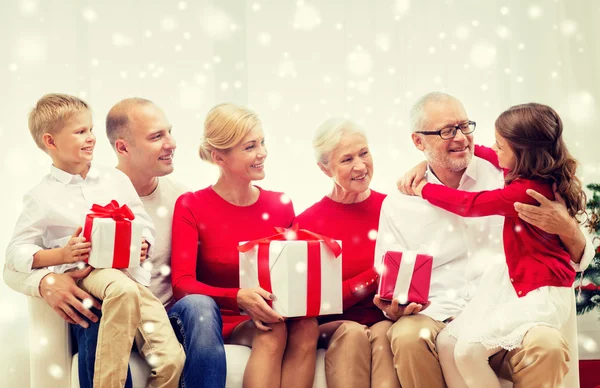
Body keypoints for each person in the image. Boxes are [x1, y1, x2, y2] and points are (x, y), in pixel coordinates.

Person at [375, 92, 595, 388]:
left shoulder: (511, 175)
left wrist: (566, 227)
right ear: (418, 141)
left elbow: (581, 256)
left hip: (508, 306)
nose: (462, 138)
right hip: (439, 311)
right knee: (408, 336)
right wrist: (393, 305)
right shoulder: (399, 205)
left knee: (548, 346)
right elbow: (391, 276)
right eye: (447, 131)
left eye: (465, 126)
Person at [5, 93, 185, 387]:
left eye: (90, 130)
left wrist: (143, 243)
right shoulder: (41, 196)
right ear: (51, 142)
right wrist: (61, 255)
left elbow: (142, 221)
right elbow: (15, 253)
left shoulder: (114, 180)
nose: (90, 138)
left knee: (172, 361)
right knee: (122, 290)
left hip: (130, 279)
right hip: (90, 275)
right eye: (80, 132)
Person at [70, 97, 227, 388]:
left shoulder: (182, 197)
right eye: (157, 136)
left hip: (165, 317)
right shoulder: (88, 196)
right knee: (91, 311)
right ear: (123, 147)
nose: (171, 143)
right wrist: (50, 280)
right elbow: (53, 256)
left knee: (201, 307)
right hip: (111, 316)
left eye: (169, 132)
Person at [171, 103, 319, 388]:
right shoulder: (192, 204)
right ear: (219, 157)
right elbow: (182, 283)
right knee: (273, 330)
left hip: (275, 312)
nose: (262, 153)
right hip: (223, 319)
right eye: (250, 146)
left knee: (306, 327)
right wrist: (238, 296)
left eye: (262, 142)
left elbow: (294, 273)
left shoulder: (280, 204)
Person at [294, 118, 399, 388]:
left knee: (386, 334)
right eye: (347, 159)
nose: (361, 166)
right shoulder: (307, 224)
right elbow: (315, 302)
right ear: (324, 168)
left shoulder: (394, 209)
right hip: (336, 325)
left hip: (385, 319)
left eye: (364, 153)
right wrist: (376, 275)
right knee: (352, 333)